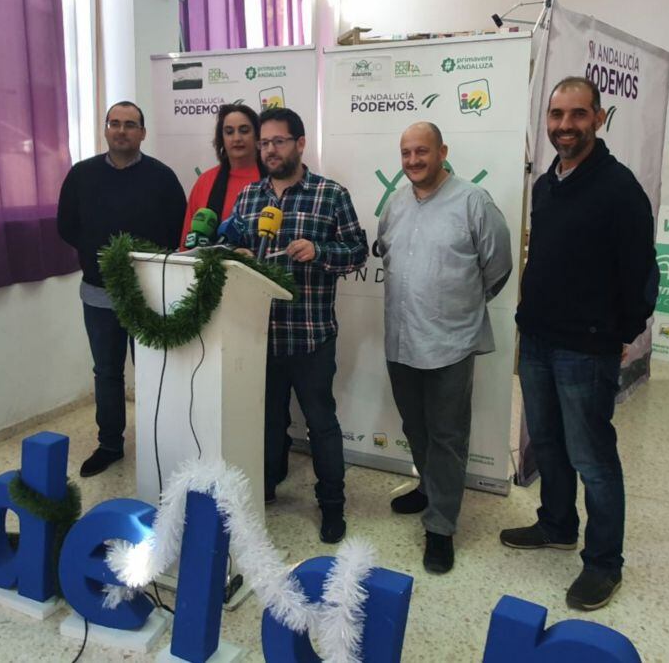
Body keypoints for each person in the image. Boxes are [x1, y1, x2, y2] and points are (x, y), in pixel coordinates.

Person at [499, 76, 657, 610]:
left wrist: (618, 335)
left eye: (577, 115)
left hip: (586, 349)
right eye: (557, 115)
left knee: (593, 457)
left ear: (599, 118)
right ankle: (557, 524)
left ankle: (603, 564)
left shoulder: (619, 189)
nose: (565, 126)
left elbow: (641, 278)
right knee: (547, 444)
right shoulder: (548, 185)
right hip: (540, 339)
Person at [229, 106, 367, 543]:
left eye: (279, 142)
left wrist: (320, 251)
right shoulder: (250, 198)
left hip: (310, 336)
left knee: (320, 423)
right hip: (259, 337)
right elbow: (231, 246)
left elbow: (358, 251)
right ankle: (267, 485)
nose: (269, 150)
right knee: (268, 421)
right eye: (264, 143)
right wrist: (240, 256)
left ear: (300, 144)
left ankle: (331, 505)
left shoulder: (331, 194)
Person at [378, 122, 512, 574]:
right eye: (406, 153)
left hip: (451, 342)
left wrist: (460, 307)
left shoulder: (473, 201)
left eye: (422, 152)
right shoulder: (395, 203)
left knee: (448, 436)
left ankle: (441, 527)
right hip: (401, 337)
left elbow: (498, 267)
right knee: (415, 427)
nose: (414, 161)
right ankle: (429, 489)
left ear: (442, 152)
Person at [57, 101, 187, 478]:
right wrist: (95, 252)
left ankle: (157, 443)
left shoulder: (162, 177)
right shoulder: (82, 175)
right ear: (105, 130)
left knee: (153, 374)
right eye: (114, 123)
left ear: (143, 133)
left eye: (130, 125)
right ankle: (110, 444)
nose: (121, 130)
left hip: (149, 295)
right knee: (107, 372)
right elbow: (66, 225)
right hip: (98, 294)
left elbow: (177, 229)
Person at [179, 104, 264, 247]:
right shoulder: (205, 181)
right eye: (229, 132)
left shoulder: (274, 179)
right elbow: (187, 243)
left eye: (244, 131)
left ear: (257, 137)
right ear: (221, 139)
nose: (237, 138)